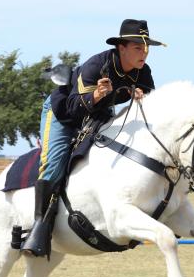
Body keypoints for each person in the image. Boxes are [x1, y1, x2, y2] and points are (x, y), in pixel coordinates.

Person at [22, 19, 166, 257]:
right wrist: (96, 96)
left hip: (98, 114)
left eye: (146, 47)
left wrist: (142, 96)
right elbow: (72, 108)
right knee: (54, 162)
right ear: (122, 48)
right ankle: (40, 227)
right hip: (63, 113)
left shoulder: (143, 71)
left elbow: (153, 105)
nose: (145, 53)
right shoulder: (95, 66)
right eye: (138, 47)